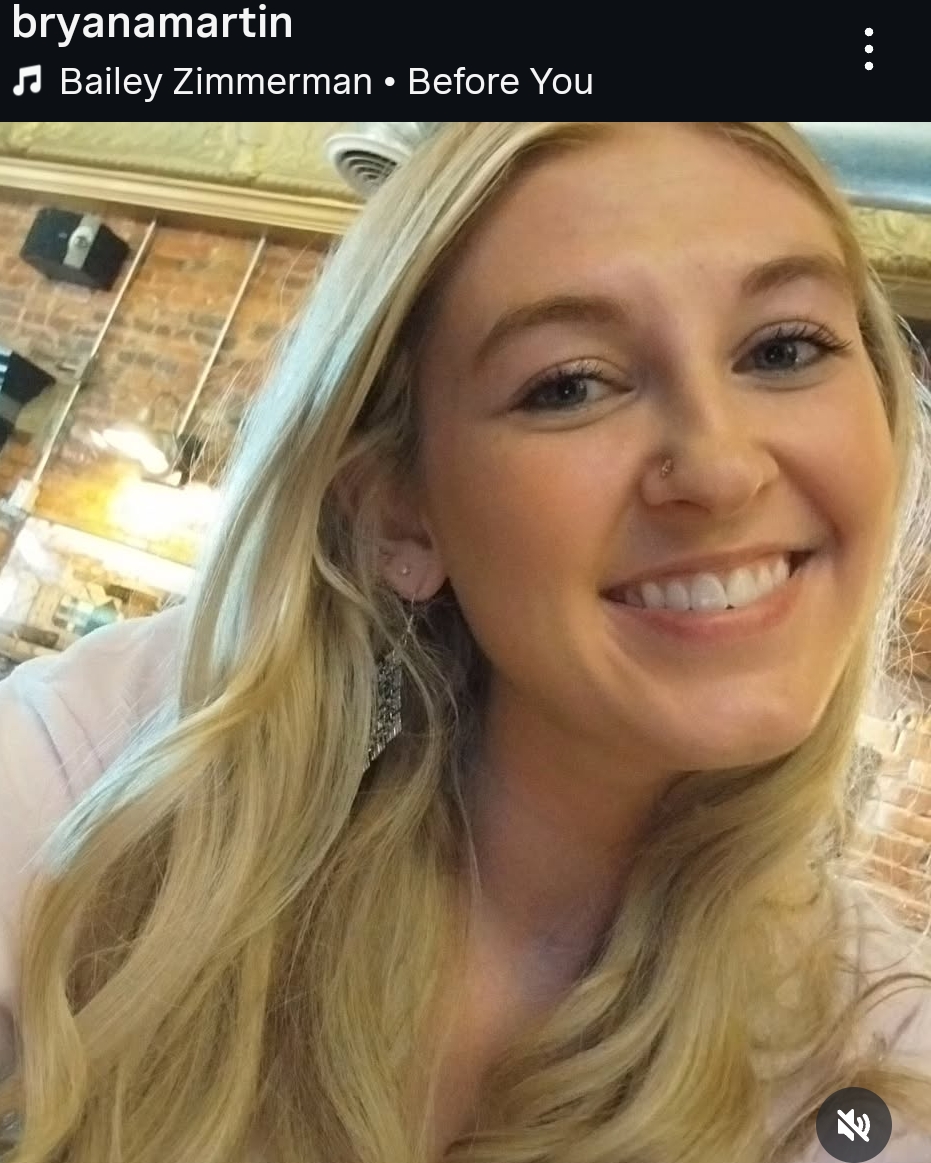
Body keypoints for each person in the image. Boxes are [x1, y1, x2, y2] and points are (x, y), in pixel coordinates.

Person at [1, 122, 931, 1163]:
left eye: (783, 348)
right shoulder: (126, 752)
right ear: (399, 516)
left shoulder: (884, 1061)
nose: (720, 470)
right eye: (570, 383)